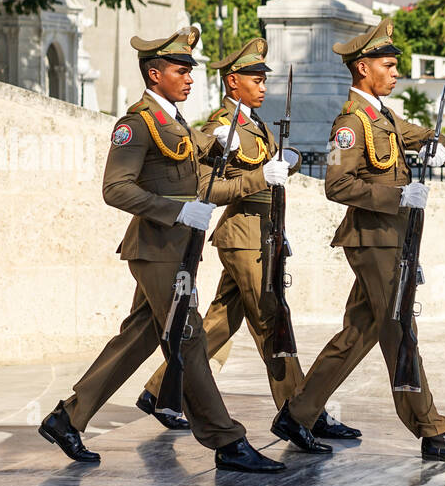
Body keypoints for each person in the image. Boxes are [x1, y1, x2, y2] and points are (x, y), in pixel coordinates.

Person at [38, 27, 282, 474]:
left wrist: (258, 177)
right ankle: (226, 441)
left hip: (178, 251)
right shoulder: (137, 123)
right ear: (155, 73)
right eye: (180, 69)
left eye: (190, 69)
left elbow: (202, 185)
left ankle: (67, 418)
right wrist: (175, 213)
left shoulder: (177, 123)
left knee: (140, 337)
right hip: (156, 250)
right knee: (187, 339)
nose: (190, 77)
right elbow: (116, 189)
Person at [269, 18, 445, 463]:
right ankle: (433, 431)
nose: (394, 73)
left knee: (359, 333)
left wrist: (435, 141)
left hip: (392, 240)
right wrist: (397, 194)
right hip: (373, 241)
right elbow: (337, 184)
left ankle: (299, 413)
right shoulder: (349, 124)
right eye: (387, 66)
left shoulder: (382, 115)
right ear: (363, 68)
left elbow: (416, 134)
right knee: (400, 331)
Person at [135, 37, 360, 442]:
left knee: (221, 321)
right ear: (232, 82)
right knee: (272, 322)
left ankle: (158, 391)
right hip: (242, 236)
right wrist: (261, 177)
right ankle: (302, 412)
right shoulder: (220, 129)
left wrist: (283, 166)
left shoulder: (253, 124)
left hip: (263, 232)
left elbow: (264, 175)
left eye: (263, 79)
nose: (263, 86)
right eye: (254, 79)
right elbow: (207, 188)